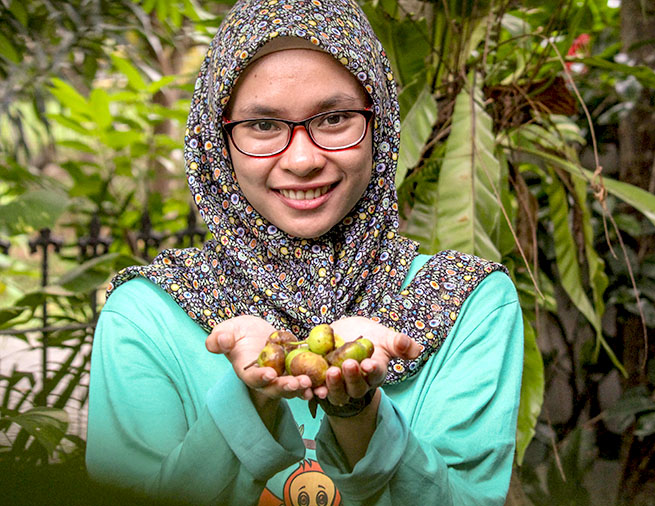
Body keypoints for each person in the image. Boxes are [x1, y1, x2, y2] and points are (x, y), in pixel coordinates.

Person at [85, 0, 524, 505]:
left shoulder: (469, 303)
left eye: (335, 118)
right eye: (263, 126)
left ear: (378, 126)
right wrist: (252, 398)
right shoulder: (148, 313)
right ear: (217, 141)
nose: (302, 159)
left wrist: (359, 414)